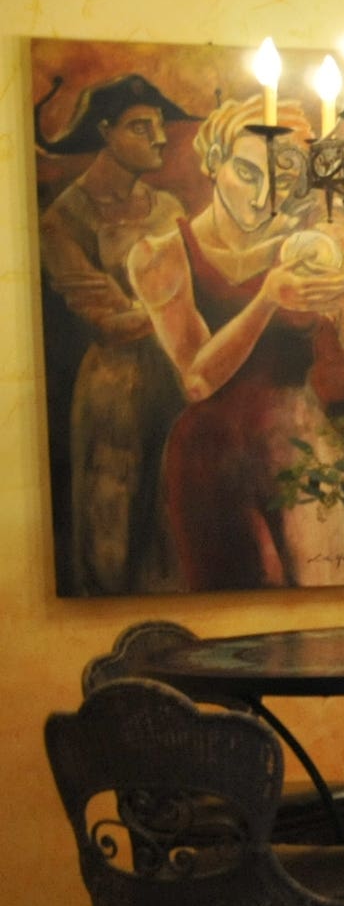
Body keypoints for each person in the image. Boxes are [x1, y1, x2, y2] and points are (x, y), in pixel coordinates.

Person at [139, 100, 344, 589]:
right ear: (214, 161)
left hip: (301, 451)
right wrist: (267, 299)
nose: (263, 195)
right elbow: (197, 378)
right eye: (246, 171)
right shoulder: (160, 255)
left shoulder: (312, 245)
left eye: (282, 178)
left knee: (326, 624)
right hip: (206, 458)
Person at [37, 72, 193, 594]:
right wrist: (171, 309)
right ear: (105, 132)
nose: (160, 137)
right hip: (114, 393)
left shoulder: (169, 210)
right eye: (141, 126)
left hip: (174, 384)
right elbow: (108, 320)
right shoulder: (63, 219)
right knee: (113, 532)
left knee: (171, 529)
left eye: (161, 125)